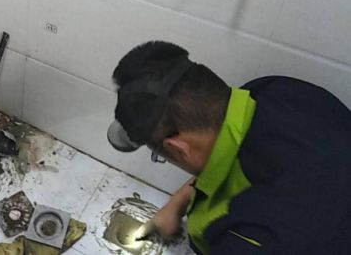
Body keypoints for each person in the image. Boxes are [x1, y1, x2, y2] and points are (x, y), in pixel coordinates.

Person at [107, 41, 351, 254]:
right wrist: (177, 203)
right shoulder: (273, 90)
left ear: (179, 149)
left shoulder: (248, 241)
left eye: (161, 155)